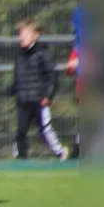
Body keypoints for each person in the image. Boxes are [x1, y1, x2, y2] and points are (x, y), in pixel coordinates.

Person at [9, 18, 68, 160]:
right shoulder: (20, 55)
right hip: (23, 99)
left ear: (36, 35)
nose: (22, 38)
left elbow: (52, 76)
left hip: (39, 99)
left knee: (44, 129)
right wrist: (14, 90)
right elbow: (18, 76)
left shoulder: (42, 53)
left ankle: (60, 152)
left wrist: (48, 95)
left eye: (26, 34)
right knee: (21, 130)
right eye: (21, 35)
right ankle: (21, 157)